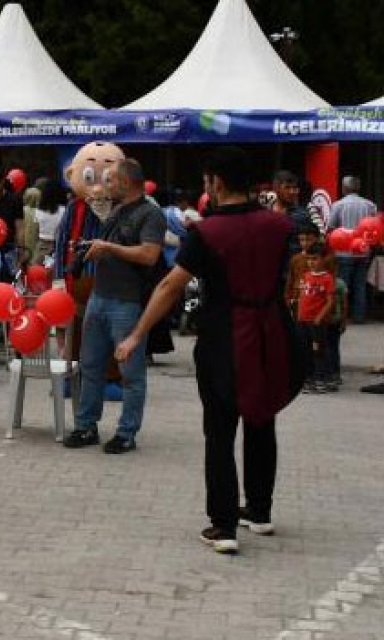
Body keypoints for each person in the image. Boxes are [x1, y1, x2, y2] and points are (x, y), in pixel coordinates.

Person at [114, 146, 299, 554]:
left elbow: (170, 285)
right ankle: (261, 512)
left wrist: (136, 335)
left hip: (224, 337)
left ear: (215, 182)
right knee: (261, 419)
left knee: (219, 431)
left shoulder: (209, 232)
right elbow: (288, 278)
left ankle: (224, 525)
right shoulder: (279, 226)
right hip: (270, 333)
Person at [62, 159, 165, 454]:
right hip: (100, 297)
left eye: (112, 180)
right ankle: (86, 426)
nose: (107, 185)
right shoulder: (117, 210)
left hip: (128, 301)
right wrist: (94, 247)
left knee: (130, 372)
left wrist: (108, 248)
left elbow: (149, 255)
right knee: (90, 365)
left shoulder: (151, 214)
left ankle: (126, 432)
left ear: (126, 182)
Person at [328, 176, 376, 323]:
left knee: (343, 284)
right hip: (362, 250)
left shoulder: (338, 205)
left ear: (344, 188)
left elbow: (330, 226)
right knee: (360, 284)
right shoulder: (369, 205)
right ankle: (359, 316)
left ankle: (341, 316)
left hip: (343, 251)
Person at [297, 248, 335, 394]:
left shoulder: (327, 278)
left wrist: (319, 317)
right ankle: (309, 379)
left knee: (318, 351)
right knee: (306, 350)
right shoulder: (306, 276)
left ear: (323, 260)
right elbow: (302, 297)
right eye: (309, 259)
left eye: (315, 259)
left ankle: (321, 379)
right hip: (303, 320)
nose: (311, 262)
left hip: (316, 322)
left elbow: (330, 301)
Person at [34, 180, 67, 265]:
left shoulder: (38, 211)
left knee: (39, 272)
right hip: (58, 247)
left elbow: (36, 231)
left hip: (42, 246)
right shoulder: (64, 211)